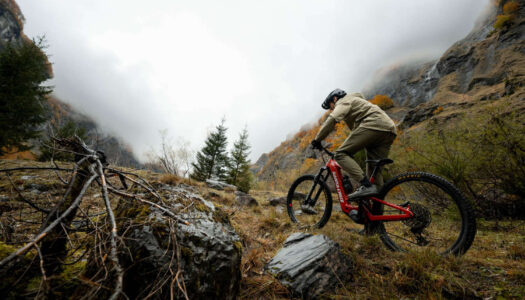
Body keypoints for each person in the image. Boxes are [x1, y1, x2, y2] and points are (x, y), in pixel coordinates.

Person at [311, 88, 397, 200]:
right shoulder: (357, 104)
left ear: (335, 99)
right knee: (374, 174)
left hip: (373, 124)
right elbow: (356, 132)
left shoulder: (344, 101)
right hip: (388, 129)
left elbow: (332, 119)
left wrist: (317, 139)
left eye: (331, 106)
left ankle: (365, 185)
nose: (332, 109)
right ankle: (376, 214)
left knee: (340, 154)